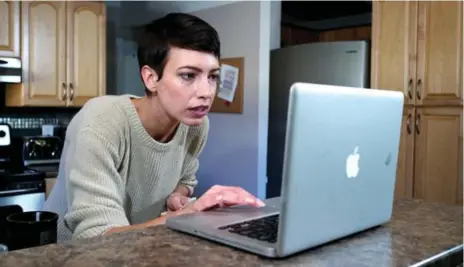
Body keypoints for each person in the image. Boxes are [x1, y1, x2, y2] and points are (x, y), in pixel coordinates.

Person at [43, 12, 264, 242]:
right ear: (151, 78)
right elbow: (97, 238)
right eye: (188, 75)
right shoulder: (100, 121)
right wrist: (190, 213)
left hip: (140, 244)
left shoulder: (196, 126)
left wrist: (178, 197)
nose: (207, 92)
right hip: (69, 255)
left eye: (212, 76)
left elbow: (185, 180)